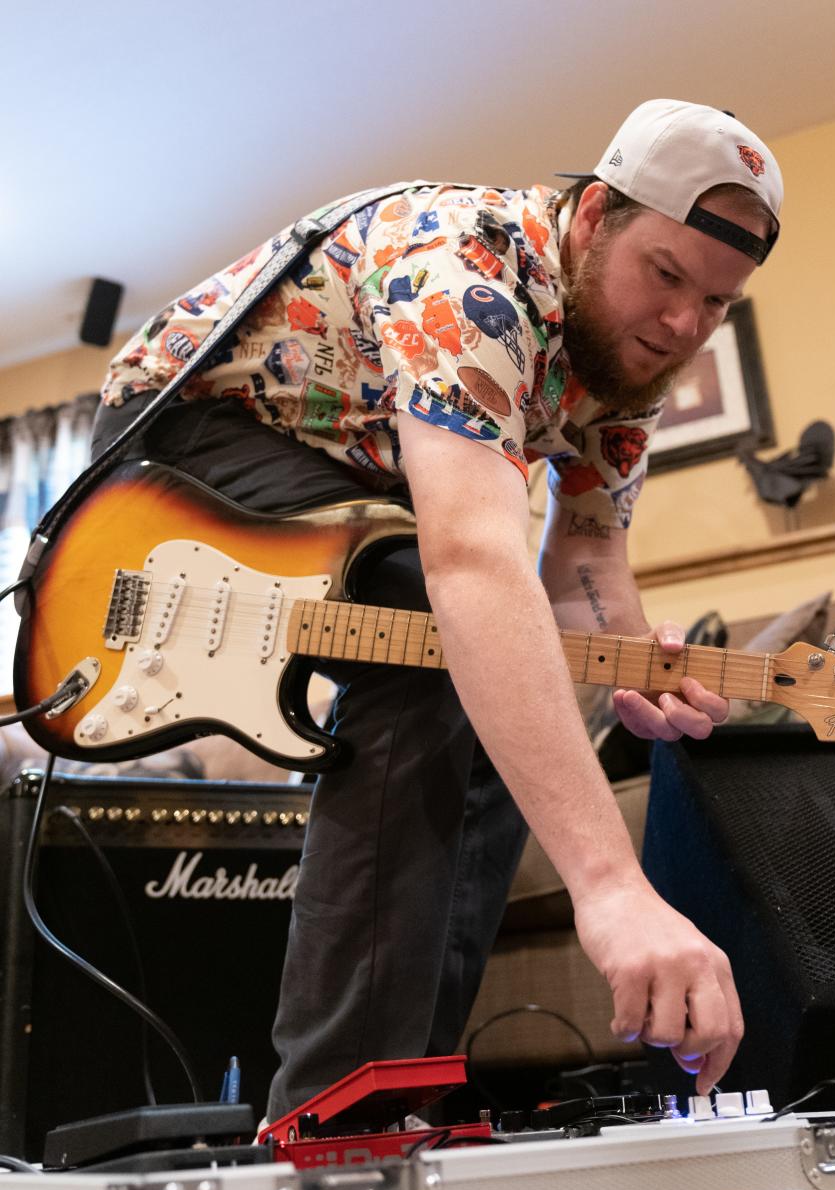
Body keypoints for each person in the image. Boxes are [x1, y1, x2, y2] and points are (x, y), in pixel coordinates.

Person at [92, 98, 784, 1116]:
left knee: (510, 684)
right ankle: (334, 1113)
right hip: (182, 445)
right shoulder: (472, 269)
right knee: (436, 624)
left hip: (361, 490)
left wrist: (638, 666)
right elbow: (469, 559)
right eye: (667, 274)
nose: (683, 323)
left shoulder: (629, 368)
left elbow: (585, 574)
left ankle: (411, 1086)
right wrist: (613, 889)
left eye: (717, 302)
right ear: (592, 217)